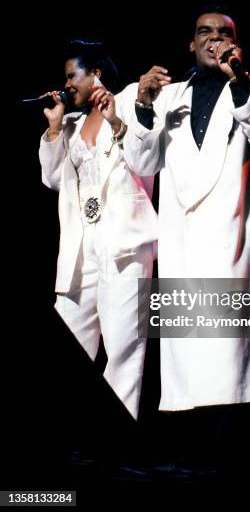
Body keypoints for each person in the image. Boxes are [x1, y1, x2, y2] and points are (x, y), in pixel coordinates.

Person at [121, 5, 250, 469]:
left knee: (230, 349)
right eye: (204, 33)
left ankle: (226, 455)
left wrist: (239, 79)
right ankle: (191, 451)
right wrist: (141, 105)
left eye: (223, 33)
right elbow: (141, 164)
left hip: (232, 237)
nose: (213, 40)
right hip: (182, 240)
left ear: (236, 44)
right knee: (188, 352)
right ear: (190, 44)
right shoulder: (167, 94)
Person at [39, 40, 157, 420]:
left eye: (72, 75)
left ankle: (115, 443)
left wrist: (116, 120)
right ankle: (73, 435)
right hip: (81, 246)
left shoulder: (128, 101)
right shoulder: (71, 124)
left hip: (124, 241)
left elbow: (147, 158)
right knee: (70, 335)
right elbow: (54, 180)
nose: (67, 84)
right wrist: (55, 129)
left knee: (123, 348)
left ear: (96, 74)